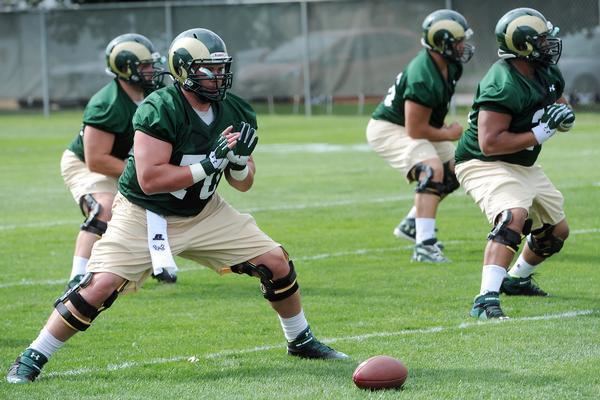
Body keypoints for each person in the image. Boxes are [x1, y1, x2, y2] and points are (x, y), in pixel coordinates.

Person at [7, 28, 347, 384]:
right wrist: (209, 164)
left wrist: (239, 162)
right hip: (143, 212)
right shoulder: (160, 106)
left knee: (275, 261)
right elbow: (149, 178)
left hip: (205, 211)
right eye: (208, 69)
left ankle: (299, 338)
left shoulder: (235, 109)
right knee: (99, 286)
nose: (218, 76)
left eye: (221, 68)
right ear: (184, 71)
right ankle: (34, 355)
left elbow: (243, 184)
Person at [454, 8, 575, 319]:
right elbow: (489, 142)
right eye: (543, 39)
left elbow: (557, 100)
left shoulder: (544, 71)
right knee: (513, 217)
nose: (550, 44)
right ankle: (485, 299)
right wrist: (538, 132)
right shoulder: (502, 83)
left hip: (520, 162)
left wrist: (562, 116)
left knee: (555, 232)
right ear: (524, 46)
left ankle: (516, 279)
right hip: (482, 161)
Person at [60, 33, 176, 288]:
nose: (152, 70)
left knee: (163, 203)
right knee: (105, 207)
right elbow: (96, 159)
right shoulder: (106, 104)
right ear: (125, 69)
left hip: (127, 161)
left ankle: (160, 263)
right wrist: (143, 171)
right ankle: (77, 276)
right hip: (86, 163)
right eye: (144, 65)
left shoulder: (154, 92)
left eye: (151, 63)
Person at [366, 9, 474, 263]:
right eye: (457, 41)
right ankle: (425, 245)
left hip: (411, 125)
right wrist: (448, 133)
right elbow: (414, 129)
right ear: (442, 43)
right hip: (389, 128)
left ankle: (413, 223)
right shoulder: (422, 75)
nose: (463, 46)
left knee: (457, 169)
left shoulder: (451, 66)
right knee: (431, 168)